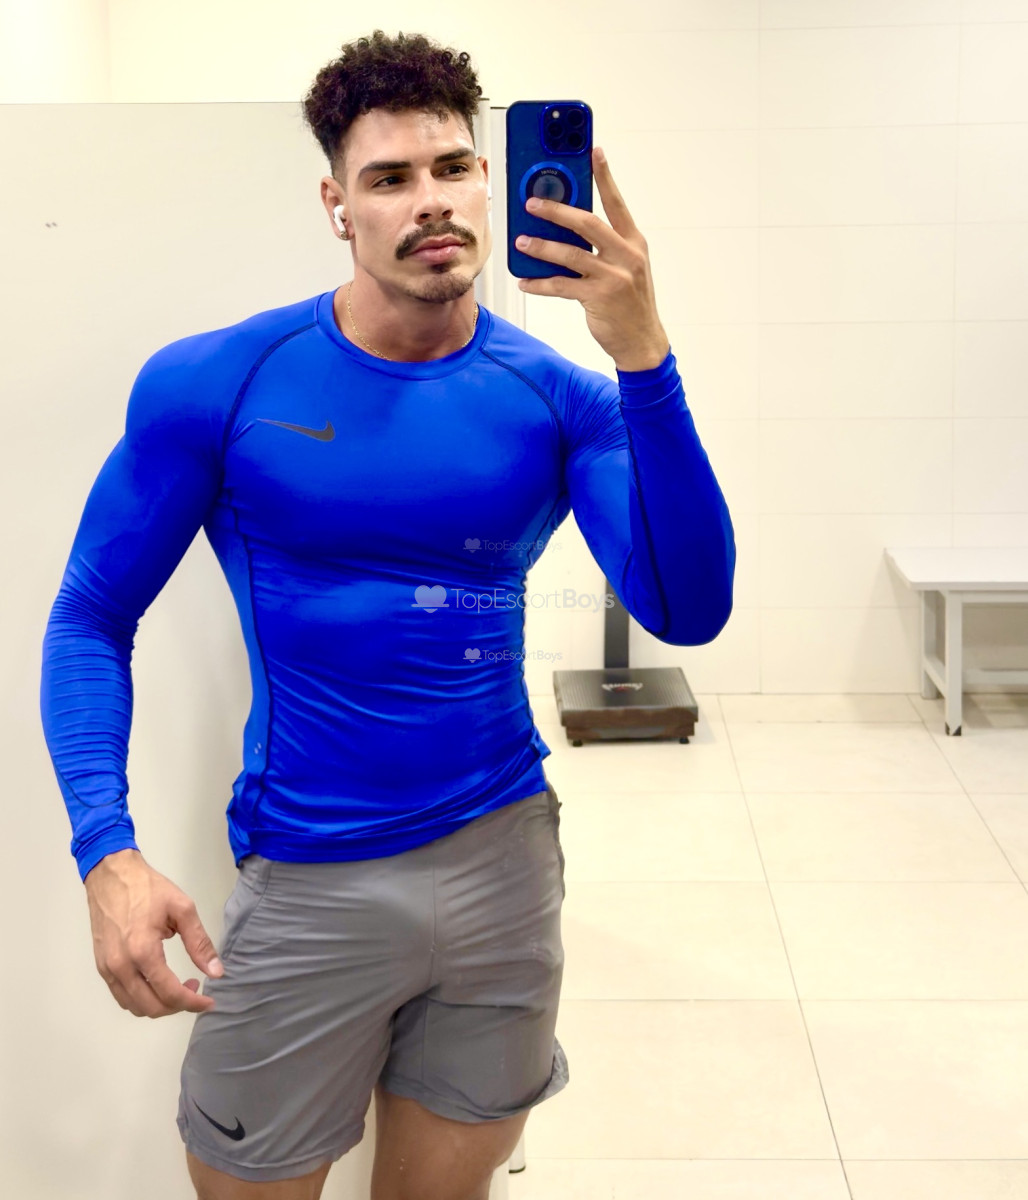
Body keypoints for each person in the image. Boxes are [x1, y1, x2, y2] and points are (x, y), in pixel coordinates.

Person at [39, 27, 735, 1200]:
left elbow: (687, 606)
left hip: (503, 860)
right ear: (337, 206)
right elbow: (91, 618)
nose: (430, 201)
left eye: (452, 167)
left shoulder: (560, 398)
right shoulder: (219, 382)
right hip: (310, 876)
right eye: (389, 177)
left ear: (488, 180)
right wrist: (105, 849)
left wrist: (644, 358)